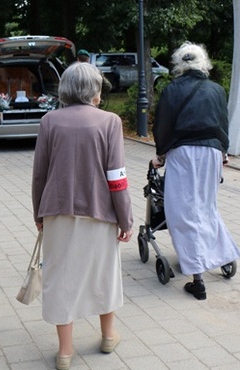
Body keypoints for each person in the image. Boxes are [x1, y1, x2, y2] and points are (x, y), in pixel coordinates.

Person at [31, 62, 133, 370]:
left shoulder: (49, 121)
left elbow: (40, 174)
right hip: (101, 211)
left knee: (61, 278)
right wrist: (125, 218)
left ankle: (64, 352)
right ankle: (107, 335)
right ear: (95, 91)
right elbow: (117, 176)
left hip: (57, 210)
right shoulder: (110, 122)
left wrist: (39, 213)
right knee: (104, 273)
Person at [152, 41, 240, 300]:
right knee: (206, 206)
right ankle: (222, 254)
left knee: (182, 211)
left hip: (184, 152)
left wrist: (161, 155)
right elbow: (222, 123)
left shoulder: (172, 90)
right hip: (212, 151)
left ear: (179, 65)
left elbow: (164, 125)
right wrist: (222, 150)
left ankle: (197, 277)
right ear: (204, 64)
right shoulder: (215, 90)